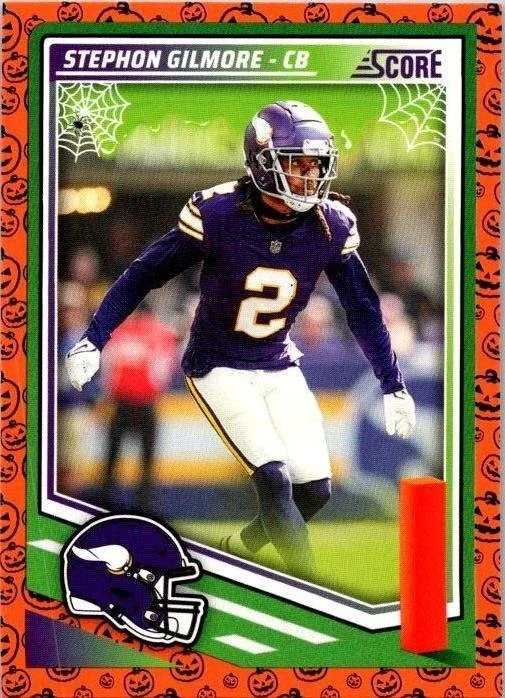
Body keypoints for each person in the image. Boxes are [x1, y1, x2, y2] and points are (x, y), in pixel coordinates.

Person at [65, 101, 415, 579]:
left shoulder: (330, 224)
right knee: (273, 479)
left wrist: (392, 382)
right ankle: (311, 594)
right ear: (263, 163)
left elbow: (363, 308)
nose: (311, 176)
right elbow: (144, 273)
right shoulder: (219, 212)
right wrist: (95, 337)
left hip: (278, 362)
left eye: (316, 165)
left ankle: (236, 550)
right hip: (217, 365)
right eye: (298, 164)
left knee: (315, 490)